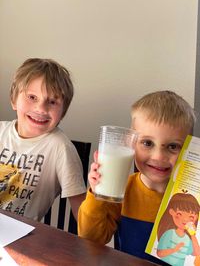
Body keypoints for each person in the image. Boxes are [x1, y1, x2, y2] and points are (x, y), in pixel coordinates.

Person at [78, 90, 196, 265]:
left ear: (188, 147)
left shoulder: (193, 198)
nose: (158, 156)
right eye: (147, 143)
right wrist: (97, 194)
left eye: (173, 146)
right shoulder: (122, 189)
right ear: (131, 143)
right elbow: (91, 238)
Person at [0, 58, 86, 221]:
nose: (41, 108)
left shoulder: (60, 148)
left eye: (53, 102)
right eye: (32, 97)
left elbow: (82, 217)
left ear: (63, 112)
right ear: (13, 100)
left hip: (22, 240)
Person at [157, 193, 200, 266]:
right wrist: (174, 250)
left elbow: (197, 253)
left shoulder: (187, 239)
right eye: (179, 214)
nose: (185, 219)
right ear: (171, 212)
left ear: (195, 218)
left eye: (191, 217)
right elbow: (159, 253)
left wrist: (192, 235)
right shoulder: (169, 233)